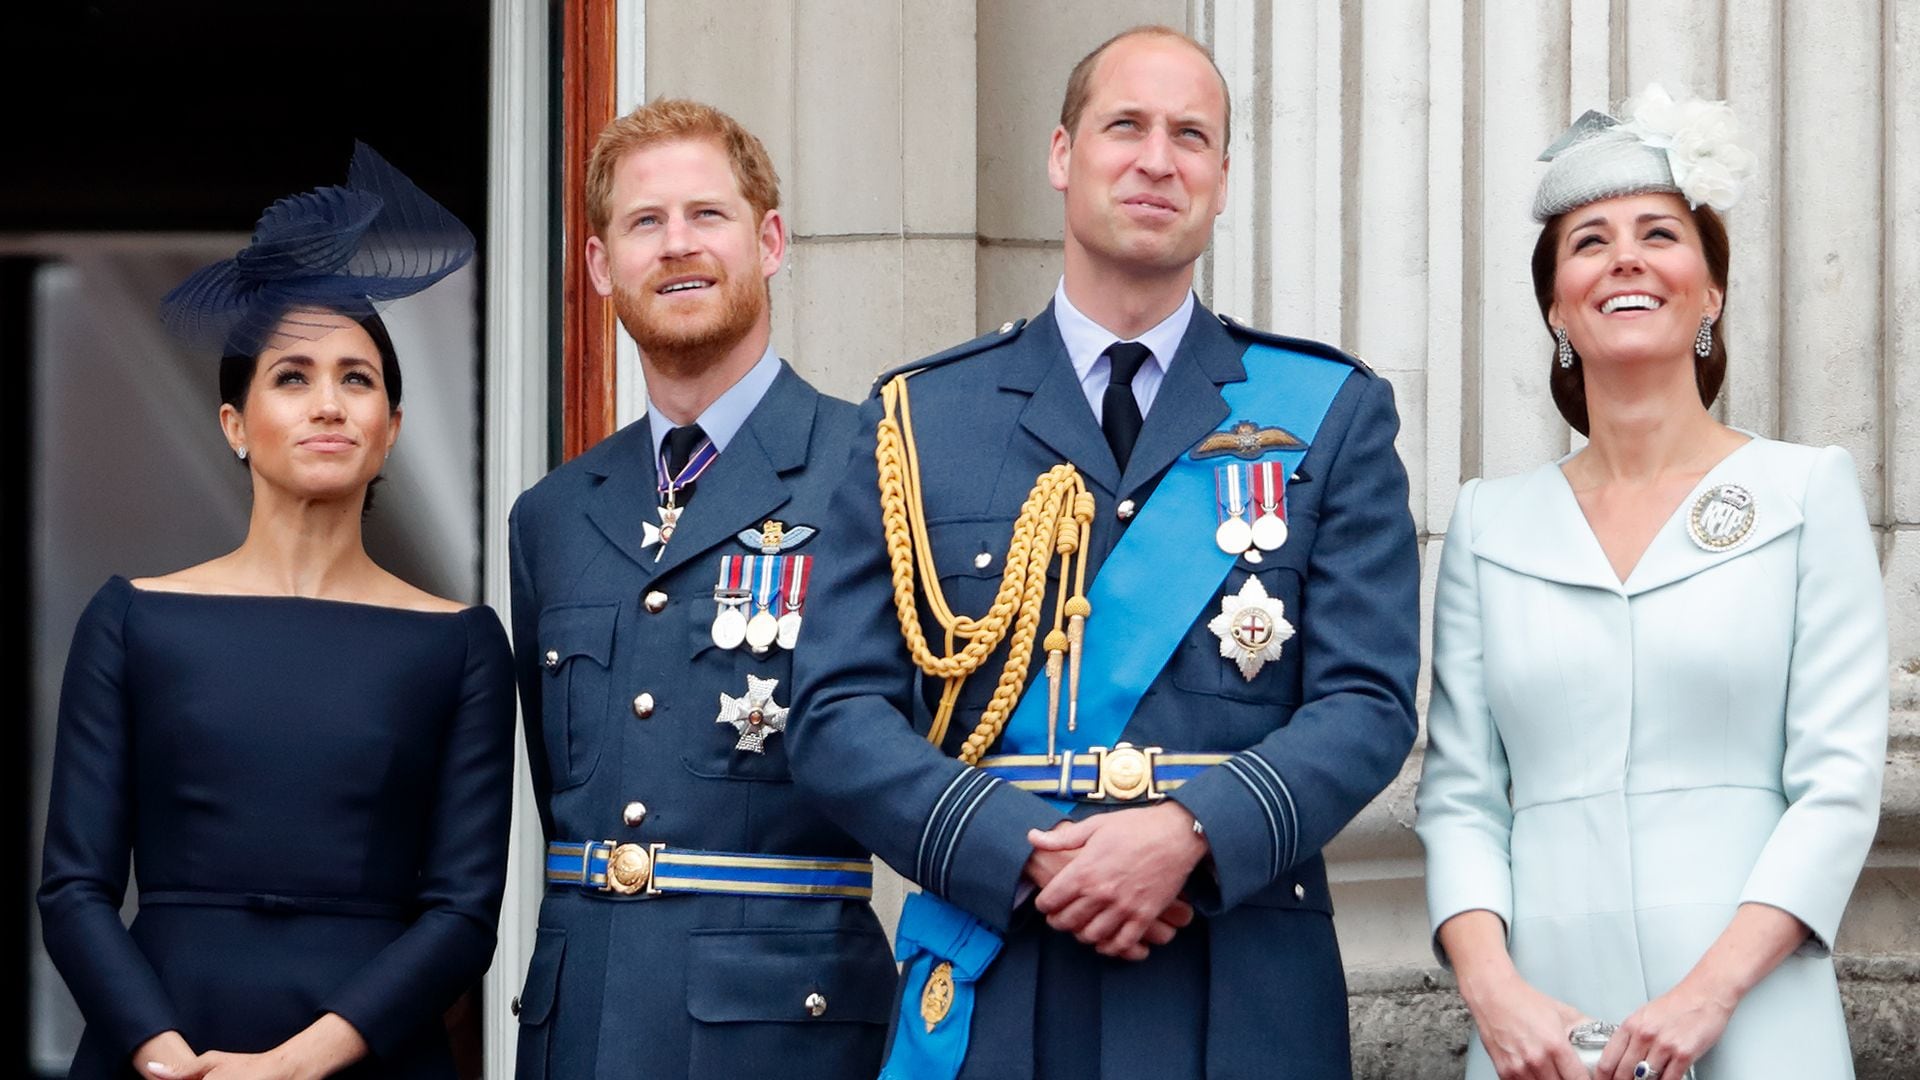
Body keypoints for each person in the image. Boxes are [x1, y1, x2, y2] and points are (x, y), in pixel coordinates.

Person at [789, 25, 1420, 1080]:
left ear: (1221, 180)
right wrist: (1021, 854)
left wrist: (1189, 832)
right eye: (1125, 125)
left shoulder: (1331, 412)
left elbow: (1368, 703)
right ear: (1061, 155)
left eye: (1192, 136)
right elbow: (837, 711)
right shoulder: (919, 417)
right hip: (1003, 967)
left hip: (1238, 971)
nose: (1157, 158)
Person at [1414, 87, 1888, 1080]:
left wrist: (1706, 994)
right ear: (1556, 305)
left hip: (1754, 1013)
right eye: (1588, 240)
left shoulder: (1803, 492)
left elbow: (1838, 785)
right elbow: (1462, 798)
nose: (1624, 257)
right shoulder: (1490, 525)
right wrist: (1495, 995)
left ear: (1710, 290)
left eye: (1659, 233)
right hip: (1539, 1033)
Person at [38, 144, 515, 1080]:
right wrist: (164, 1056)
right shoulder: (133, 621)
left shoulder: (460, 644)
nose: (327, 404)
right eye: (291, 377)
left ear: (391, 431)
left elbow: (463, 915)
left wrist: (298, 1066)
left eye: (358, 378)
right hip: (159, 1054)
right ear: (234, 426)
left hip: (366, 1055)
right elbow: (73, 890)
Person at [507, 99, 894, 1080]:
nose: (677, 246)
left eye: (706, 216)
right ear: (600, 268)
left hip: (783, 1029)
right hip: (584, 1022)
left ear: (769, 241)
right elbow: (569, 803)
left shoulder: (873, 472)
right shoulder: (551, 517)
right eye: (644, 223)